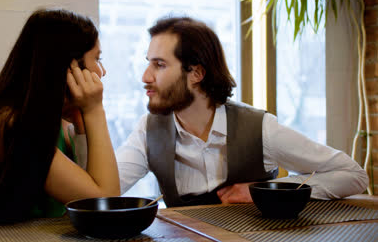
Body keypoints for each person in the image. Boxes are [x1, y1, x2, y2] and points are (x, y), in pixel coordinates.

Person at [116, 16, 369, 207]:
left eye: (159, 65)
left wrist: (266, 190)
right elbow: (98, 192)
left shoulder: (260, 128)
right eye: (148, 63)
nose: (145, 77)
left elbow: (353, 175)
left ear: (196, 73)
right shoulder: (148, 130)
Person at [0, 8, 120, 226]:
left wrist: (82, 125)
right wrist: (95, 111)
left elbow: (94, 192)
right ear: (70, 67)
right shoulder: (10, 126)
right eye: (97, 59)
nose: (102, 71)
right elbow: (104, 205)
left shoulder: (53, 123)